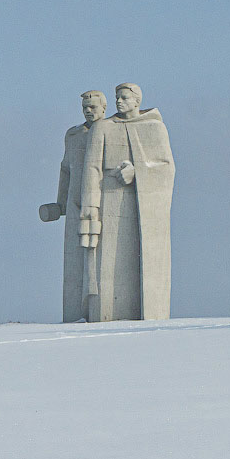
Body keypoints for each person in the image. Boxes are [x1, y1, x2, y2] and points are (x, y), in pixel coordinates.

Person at [80, 83, 175, 321]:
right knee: (107, 265)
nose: (119, 102)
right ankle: (107, 315)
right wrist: (90, 206)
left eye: (124, 98)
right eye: (117, 98)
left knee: (142, 264)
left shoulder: (154, 128)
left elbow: (166, 167)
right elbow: (91, 169)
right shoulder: (102, 128)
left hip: (143, 206)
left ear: (137, 101)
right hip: (108, 201)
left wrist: (138, 173)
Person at [39, 90, 107, 322]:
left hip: (102, 204)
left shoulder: (110, 131)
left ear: (104, 108)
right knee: (75, 260)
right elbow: (65, 169)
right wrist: (61, 203)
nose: (89, 111)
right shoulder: (74, 135)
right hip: (75, 204)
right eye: (85, 108)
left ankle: (98, 310)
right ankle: (76, 313)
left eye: (93, 107)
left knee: (98, 261)